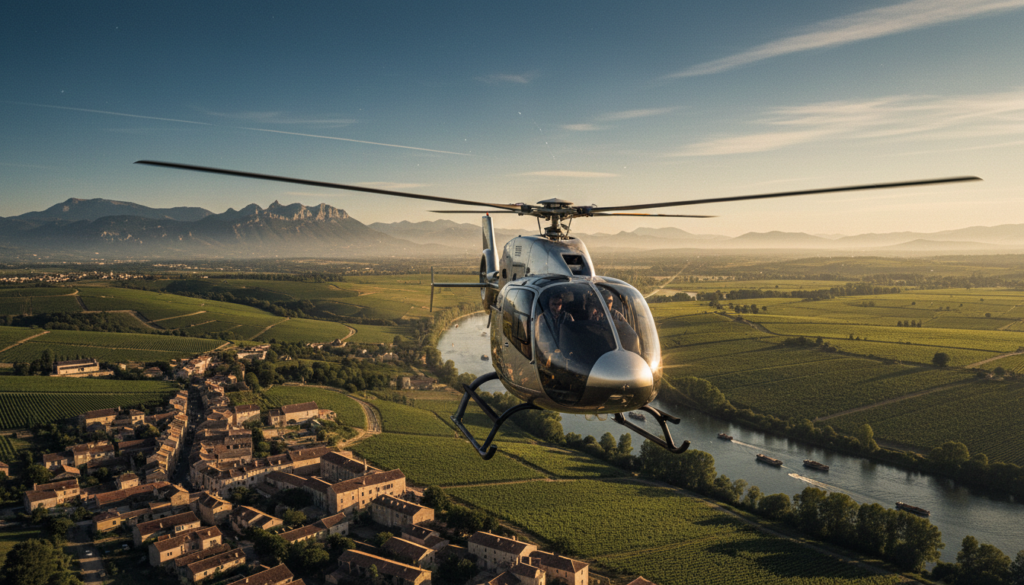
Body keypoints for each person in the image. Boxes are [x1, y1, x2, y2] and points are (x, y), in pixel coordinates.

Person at [536, 293, 574, 367]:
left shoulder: (568, 317)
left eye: (559, 304)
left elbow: (574, 336)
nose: (557, 306)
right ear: (549, 304)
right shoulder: (542, 318)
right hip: (549, 354)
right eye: (554, 304)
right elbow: (540, 339)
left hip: (565, 354)